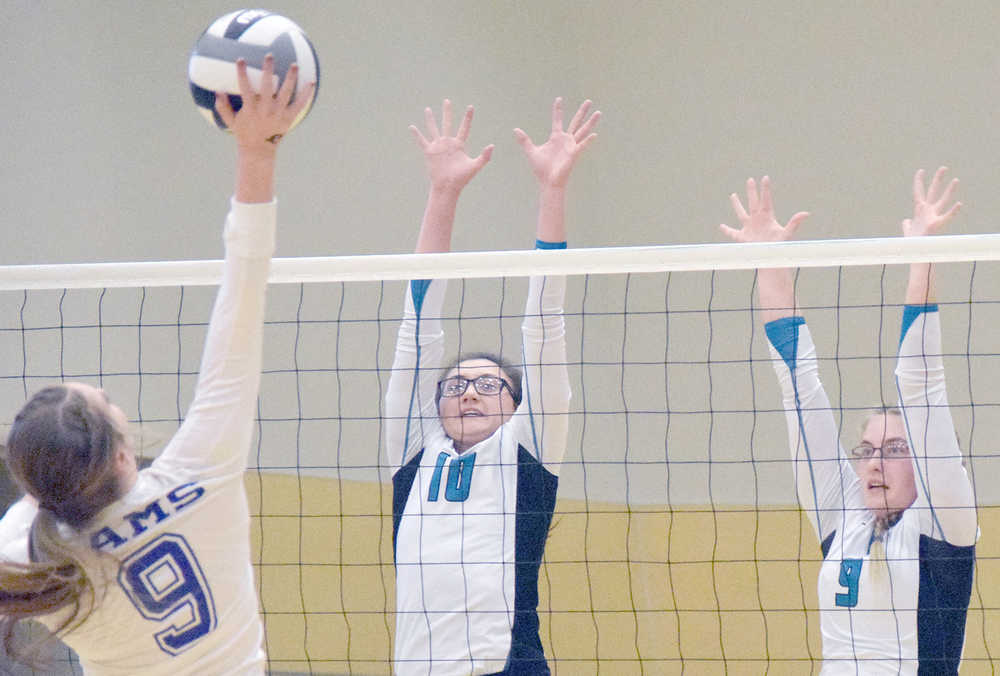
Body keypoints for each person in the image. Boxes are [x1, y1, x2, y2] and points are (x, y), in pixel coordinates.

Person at [0, 56, 314, 674]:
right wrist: (258, 154)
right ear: (122, 454)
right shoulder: (202, 477)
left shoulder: (35, 558)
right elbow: (242, 298)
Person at [720, 170, 977, 672]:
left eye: (896, 449)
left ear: (926, 463)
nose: (875, 463)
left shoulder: (944, 522)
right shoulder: (842, 515)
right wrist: (768, 261)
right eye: (867, 449)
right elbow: (799, 388)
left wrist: (920, 254)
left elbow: (920, 384)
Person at [385, 98, 599, 675]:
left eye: (488, 384)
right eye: (456, 384)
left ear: (517, 407)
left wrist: (552, 190)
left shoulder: (525, 453)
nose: (470, 392)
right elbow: (418, 326)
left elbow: (543, 327)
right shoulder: (414, 453)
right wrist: (442, 194)